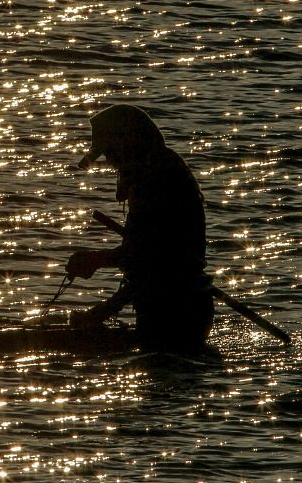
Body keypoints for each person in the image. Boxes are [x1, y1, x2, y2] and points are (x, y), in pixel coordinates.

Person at [65, 104, 213, 352]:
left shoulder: (155, 182)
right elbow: (144, 256)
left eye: (111, 153)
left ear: (128, 143)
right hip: (186, 309)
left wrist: (99, 306)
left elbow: (148, 262)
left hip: (174, 313)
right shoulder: (163, 168)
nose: (110, 162)